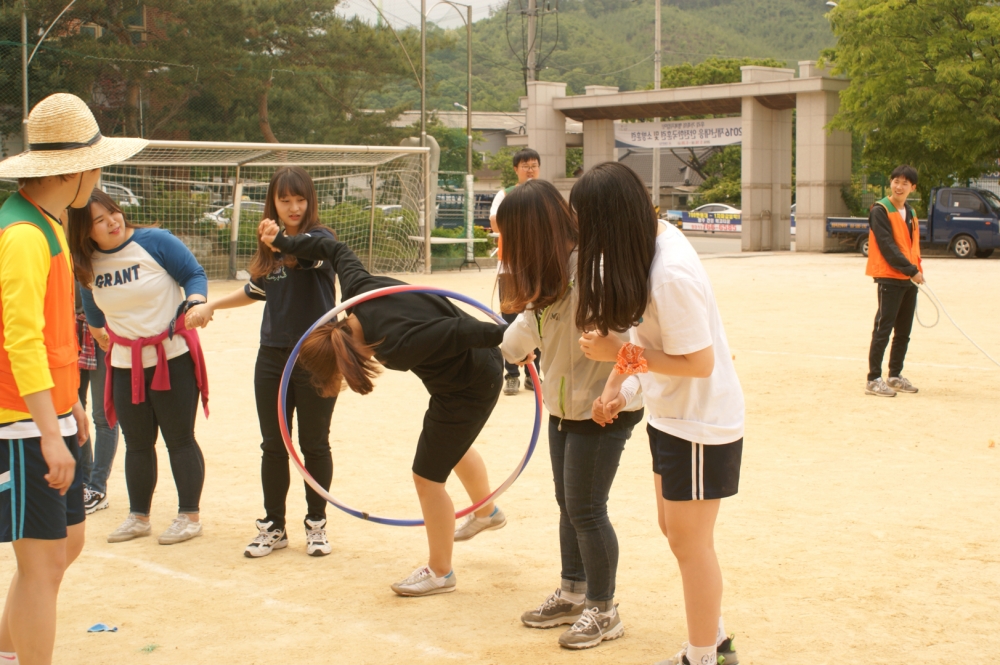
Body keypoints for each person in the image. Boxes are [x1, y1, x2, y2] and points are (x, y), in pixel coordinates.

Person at [259, 220, 506, 597]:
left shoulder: (397, 344)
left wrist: (516, 338)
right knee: (447, 447)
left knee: (427, 476)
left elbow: (461, 333)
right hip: (467, 371)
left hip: (470, 385)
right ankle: (487, 512)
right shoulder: (359, 290)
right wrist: (284, 241)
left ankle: (440, 573)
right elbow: (334, 250)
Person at [575, 162, 743, 665]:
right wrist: (616, 391)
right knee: (676, 534)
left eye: (586, 223)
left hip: (699, 422)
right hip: (670, 415)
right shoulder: (640, 248)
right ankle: (713, 641)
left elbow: (699, 362)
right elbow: (639, 339)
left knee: (692, 546)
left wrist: (616, 360)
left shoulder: (671, 272)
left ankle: (701, 656)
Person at [0, 92, 146, 665]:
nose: (102, 174)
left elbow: (53, 333)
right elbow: (21, 340)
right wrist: (50, 429)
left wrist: (71, 407)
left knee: (61, 551)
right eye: (98, 162)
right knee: (40, 564)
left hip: (50, 414)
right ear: (79, 170)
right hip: (20, 425)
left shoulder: (49, 223)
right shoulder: (24, 236)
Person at [496, 180, 644, 650]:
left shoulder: (596, 272)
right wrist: (508, 340)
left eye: (513, 238)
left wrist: (619, 394)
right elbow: (522, 334)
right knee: (569, 502)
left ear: (534, 231)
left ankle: (604, 609)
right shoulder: (548, 277)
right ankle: (573, 592)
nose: (510, 250)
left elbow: (633, 346)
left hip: (602, 410)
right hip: (563, 408)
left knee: (585, 507)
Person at [186, 166, 339, 558]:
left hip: (316, 355)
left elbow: (306, 254)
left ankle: (316, 523)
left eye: (300, 199)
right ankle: (274, 525)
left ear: (311, 201)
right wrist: (211, 305)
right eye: (284, 200)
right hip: (272, 356)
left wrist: (281, 241)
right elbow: (256, 290)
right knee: (274, 444)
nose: (293, 206)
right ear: (272, 201)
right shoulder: (271, 246)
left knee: (314, 443)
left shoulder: (321, 240)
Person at [68, 189, 209, 547]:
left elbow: (193, 274)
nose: (112, 221)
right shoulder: (87, 266)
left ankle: (188, 516)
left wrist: (196, 300)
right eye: (99, 220)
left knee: (179, 439)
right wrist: (100, 334)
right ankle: (138, 516)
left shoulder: (155, 241)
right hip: (123, 363)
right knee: (137, 443)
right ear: (85, 231)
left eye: (112, 212)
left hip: (171, 357)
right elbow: (94, 313)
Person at [864, 164, 923, 397]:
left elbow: (912, 246)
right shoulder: (880, 210)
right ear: (891, 183)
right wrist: (910, 269)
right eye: (895, 181)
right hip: (889, 277)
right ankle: (873, 379)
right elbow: (887, 245)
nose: (899, 186)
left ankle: (895, 375)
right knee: (883, 328)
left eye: (904, 183)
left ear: (912, 187)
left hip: (909, 278)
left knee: (903, 331)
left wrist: (917, 270)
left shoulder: (912, 212)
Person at [489, 148, 542, 395]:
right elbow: (495, 221)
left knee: (540, 315)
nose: (530, 169)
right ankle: (511, 374)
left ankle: (535, 373)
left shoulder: (544, 194)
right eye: (525, 165)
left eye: (534, 165)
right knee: (510, 317)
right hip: (510, 266)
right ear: (515, 169)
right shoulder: (505, 194)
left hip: (538, 265)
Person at [75, 282, 120, 515]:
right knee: (73, 412)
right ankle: (83, 481)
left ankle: (97, 487)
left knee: (103, 416)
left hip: (103, 332)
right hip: (70, 333)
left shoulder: (95, 251)